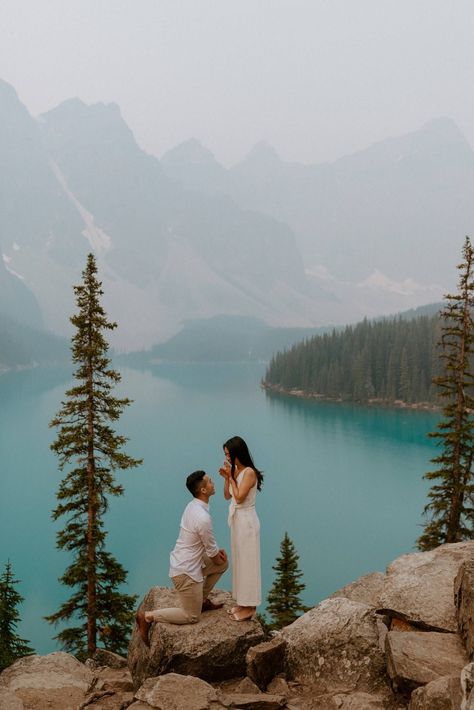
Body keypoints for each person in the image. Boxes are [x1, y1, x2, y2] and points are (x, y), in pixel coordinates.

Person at [135, 470, 228, 646]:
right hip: (185, 572)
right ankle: (147, 617)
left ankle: (200, 600)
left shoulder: (193, 505)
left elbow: (209, 548)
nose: (212, 482)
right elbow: (213, 555)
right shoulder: (203, 518)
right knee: (191, 616)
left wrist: (216, 554)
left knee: (223, 563)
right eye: (209, 481)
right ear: (203, 491)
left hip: (188, 562)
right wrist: (217, 555)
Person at [219, 435, 263, 621]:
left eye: (229, 454)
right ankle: (242, 602)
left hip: (247, 522)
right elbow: (226, 496)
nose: (227, 457)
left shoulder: (249, 473)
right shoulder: (236, 471)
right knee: (240, 562)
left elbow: (239, 498)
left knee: (248, 563)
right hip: (237, 521)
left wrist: (230, 476)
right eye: (225, 454)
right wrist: (227, 478)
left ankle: (250, 607)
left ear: (237, 452)